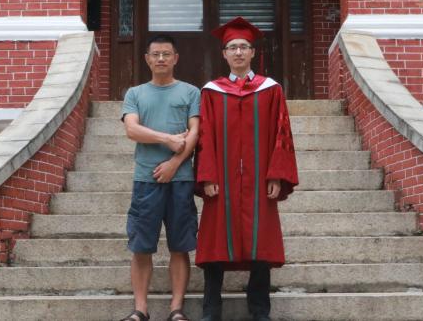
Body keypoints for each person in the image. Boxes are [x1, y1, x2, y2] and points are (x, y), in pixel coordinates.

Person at [195, 17, 299, 320]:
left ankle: (260, 310)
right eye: (232, 47)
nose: (238, 52)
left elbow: (281, 134)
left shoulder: (271, 89)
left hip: (259, 180)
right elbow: (205, 136)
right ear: (224, 54)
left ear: (252, 52)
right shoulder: (212, 91)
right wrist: (208, 176)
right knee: (216, 242)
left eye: (243, 47)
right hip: (222, 180)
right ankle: (211, 310)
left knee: (260, 242)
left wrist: (276, 175)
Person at [120, 34, 200, 321]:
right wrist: (168, 139)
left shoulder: (191, 92)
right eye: (156, 54)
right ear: (147, 59)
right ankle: (140, 309)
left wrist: (174, 163)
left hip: (181, 180)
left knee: (180, 246)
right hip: (146, 180)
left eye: (167, 54)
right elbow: (132, 130)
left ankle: (176, 309)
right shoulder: (135, 94)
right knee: (141, 247)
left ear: (176, 58)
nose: (161, 59)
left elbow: (194, 133)